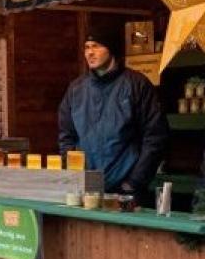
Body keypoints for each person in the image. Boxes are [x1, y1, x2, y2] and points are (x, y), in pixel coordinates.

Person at [58, 24, 169, 204]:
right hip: (86, 191)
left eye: (96, 46)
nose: (90, 53)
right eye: (86, 47)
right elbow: (66, 139)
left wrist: (133, 182)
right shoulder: (75, 90)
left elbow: (155, 137)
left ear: (112, 49)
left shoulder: (137, 85)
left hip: (126, 192)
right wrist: (75, 178)